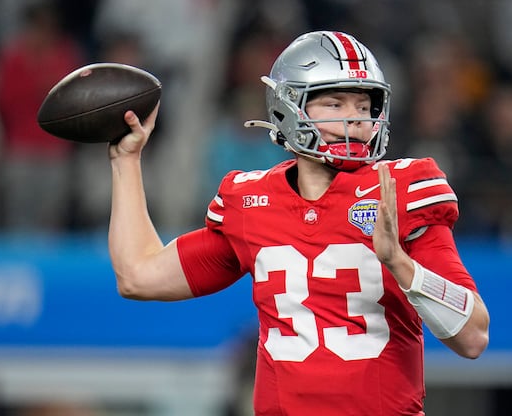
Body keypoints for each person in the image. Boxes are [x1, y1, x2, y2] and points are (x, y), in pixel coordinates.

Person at [107, 31, 490, 415]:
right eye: (336, 103)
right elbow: (138, 275)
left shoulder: (400, 190)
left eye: (364, 105)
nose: (355, 119)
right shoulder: (251, 201)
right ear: (288, 107)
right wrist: (127, 160)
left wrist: (401, 265)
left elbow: (473, 335)